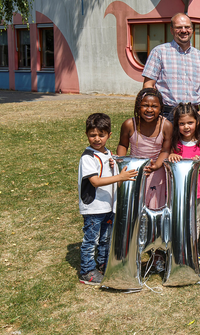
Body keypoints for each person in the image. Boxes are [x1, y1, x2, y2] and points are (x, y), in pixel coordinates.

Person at [78, 113, 137, 285]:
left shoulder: (109, 154)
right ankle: (87, 271)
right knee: (91, 239)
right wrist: (120, 177)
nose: (97, 139)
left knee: (105, 239)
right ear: (87, 134)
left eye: (101, 135)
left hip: (108, 207)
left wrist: (116, 167)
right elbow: (95, 181)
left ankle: (103, 265)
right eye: (92, 135)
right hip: (94, 208)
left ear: (109, 135)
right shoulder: (88, 157)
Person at [168, 103, 200, 263]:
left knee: (194, 221)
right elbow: (167, 159)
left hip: (198, 190)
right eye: (182, 123)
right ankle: (176, 249)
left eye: (190, 123)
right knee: (177, 219)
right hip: (178, 191)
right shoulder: (174, 143)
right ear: (177, 124)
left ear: (197, 122)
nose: (186, 127)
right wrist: (171, 156)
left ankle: (192, 250)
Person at [142, 13, 200, 119]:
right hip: (166, 113)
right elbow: (148, 85)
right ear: (171, 30)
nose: (183, 30)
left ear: (192, 29)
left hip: (193, 113)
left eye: (187, 27)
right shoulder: (159, 52)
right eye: (179, 27)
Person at [116, 88, 172, 210]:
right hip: (133, 170)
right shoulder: (129, 124)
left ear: (161, 108)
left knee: (153, 205)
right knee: (133, 206)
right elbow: (123, 145)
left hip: (156, 170)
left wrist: (156, 165)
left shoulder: (166, 125)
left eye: (154, 106)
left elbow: (165, 151)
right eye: (145, 105)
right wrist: (122, 162)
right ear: (138, 107)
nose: (149, 109)